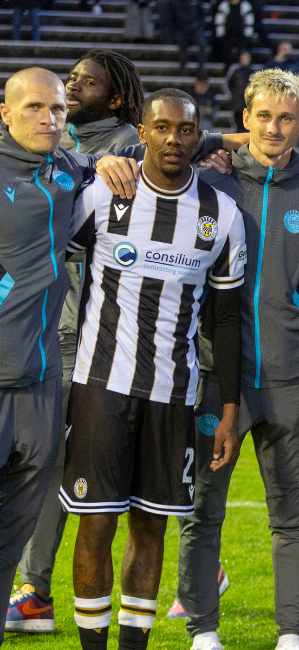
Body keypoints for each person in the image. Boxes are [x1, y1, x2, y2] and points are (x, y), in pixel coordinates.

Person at [62, 88, 247, 650]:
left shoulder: (222, 213)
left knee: (152, 525)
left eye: (185, 129)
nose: (173, 139)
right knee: (95, 524)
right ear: (141, 132)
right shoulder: (103, 194)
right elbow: (46, 258)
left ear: (198, 135)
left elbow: (227, 319)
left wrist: (232, 409)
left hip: (174, 393)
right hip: (100, 386)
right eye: (161, 127)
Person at [176, 68, 299, 650]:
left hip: (292, 380)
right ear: (244, 120)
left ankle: (291, 636)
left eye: (286, 118)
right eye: (263, 116)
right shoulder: (207, 186)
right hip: (210, 376)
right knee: (203, 512)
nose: (274, 128)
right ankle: (204, 634)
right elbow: (146, 143)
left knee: (291, 519)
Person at [4, 50, 145, 637]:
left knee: (17, 520)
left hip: (39, 379)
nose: (48, 116)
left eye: (57, 107)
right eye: (34, 106)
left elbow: (160, 142)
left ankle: (27, 596)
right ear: (5, 112)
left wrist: (112, 160)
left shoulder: (70, 169)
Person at [214, 0, 256, 71]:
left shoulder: (245, 5)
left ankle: (245, 75)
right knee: (226, 52)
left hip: (242, 38)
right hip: (227, 37)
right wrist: (222, 39)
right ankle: (227, 73)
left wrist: (246, 39)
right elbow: (219, 24)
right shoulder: (224, 5)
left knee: (245, 51)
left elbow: (249, 24)